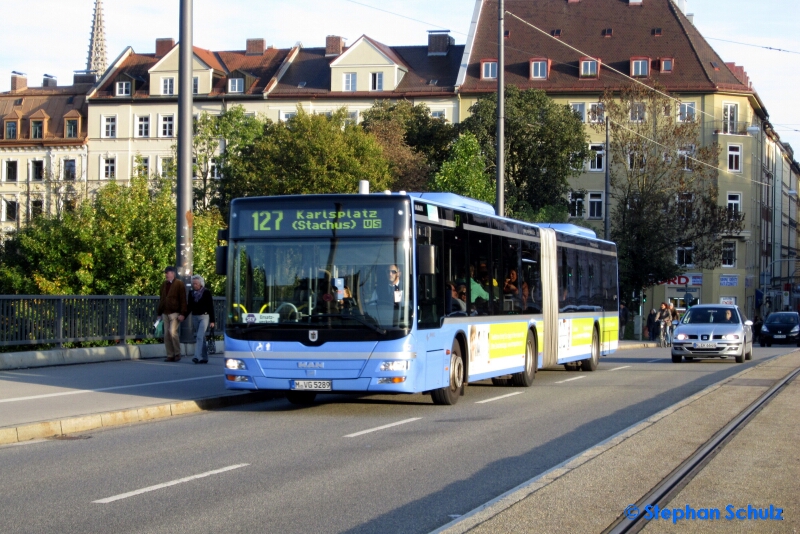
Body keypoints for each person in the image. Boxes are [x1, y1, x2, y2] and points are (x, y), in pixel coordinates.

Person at [157, 266, 187, 362]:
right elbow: (161, 299)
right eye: (165, 273)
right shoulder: (163, 284)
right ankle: (170, 355)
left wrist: (183, 313)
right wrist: (159, 312)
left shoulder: (179, 284)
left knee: (172, 332)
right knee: (166, 334)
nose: (166, 274)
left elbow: (183, 299)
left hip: (175, 312)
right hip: (165, 312)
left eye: (167, 273)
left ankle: (177, 353)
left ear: (173, 273)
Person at [187, 274, 216, 364]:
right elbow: (189, 307)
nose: (194, 285)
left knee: (199, 336)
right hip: (195, 316)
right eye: (193, 283)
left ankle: (196, 356)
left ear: (200, 284)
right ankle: (204, 357)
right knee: (202, 338)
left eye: (196, 283)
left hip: (204, 316)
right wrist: (183, 315)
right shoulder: (191, 293)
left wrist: (212, 320)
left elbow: (211, 306)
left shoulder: (206, 292)